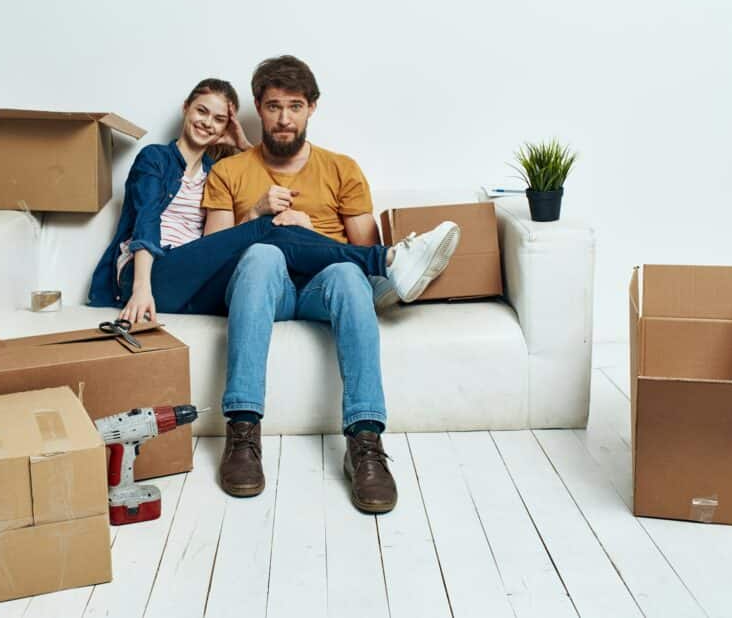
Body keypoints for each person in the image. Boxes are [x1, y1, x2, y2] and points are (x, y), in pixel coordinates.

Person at [202, 56, 459, 514]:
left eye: (295, 106)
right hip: (264, 291)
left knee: (345, 270)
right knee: (263, 252)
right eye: (274, 106)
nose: (284, 119)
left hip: (326, 289)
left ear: (312, 109)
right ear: (258, 108)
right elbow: (210, 254)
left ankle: (365, 441)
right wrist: (257, 216)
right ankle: (242, 434)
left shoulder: (341, 168)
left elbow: (360, 259)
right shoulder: (230, 172)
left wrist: (307, 235)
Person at [88, 79, 460, 327]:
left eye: (218, 119)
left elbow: (255, 177)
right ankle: (388, 261)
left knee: (271, 232)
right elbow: (147, 221)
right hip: (153, 274)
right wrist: (141, 287)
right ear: (186, 108)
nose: (207, 123)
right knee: (272, 226)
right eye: (202, 111)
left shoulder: (217, 171)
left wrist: (243, 143)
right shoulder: (155, 158)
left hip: (194, 284)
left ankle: (381, 267)